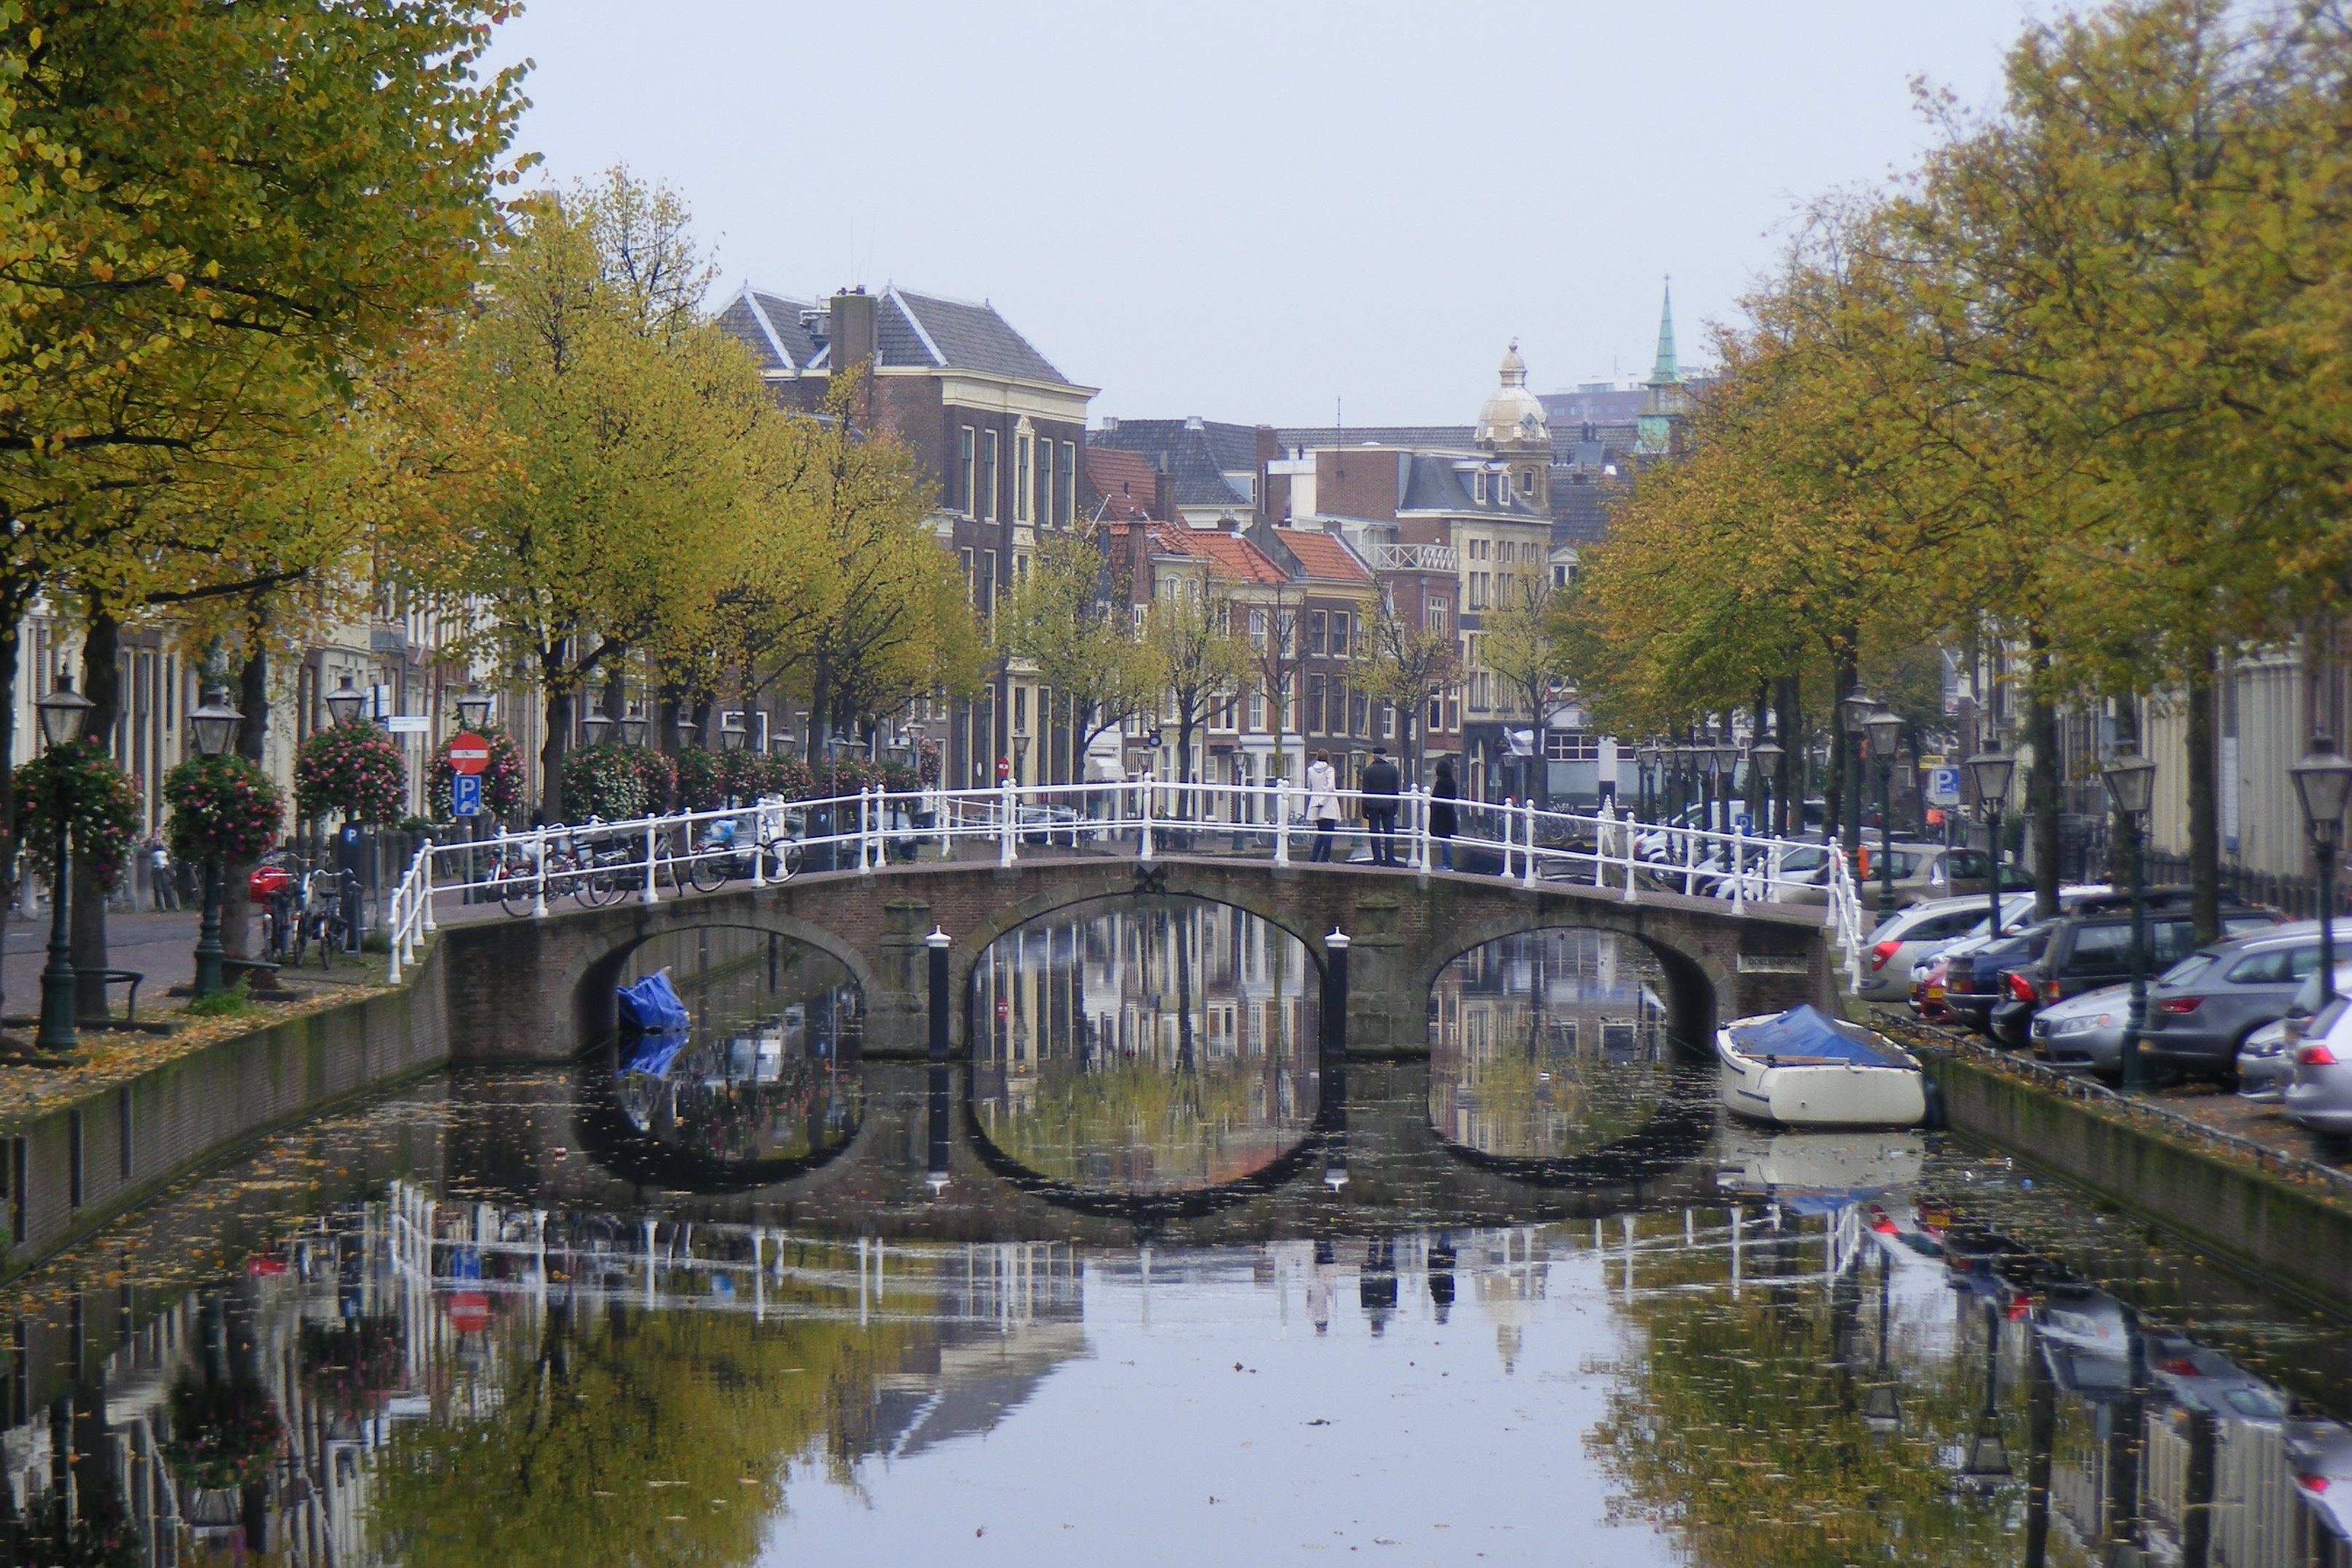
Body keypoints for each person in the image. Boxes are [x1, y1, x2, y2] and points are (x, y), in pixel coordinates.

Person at [1362, 746, 1402, 866]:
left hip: (1373, 805)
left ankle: (1377, 859)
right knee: (1389, 832)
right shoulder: (1393, 770)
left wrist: (1364, 809)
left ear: (1374, 756)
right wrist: (1396, 806)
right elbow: (1395, 790)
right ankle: (1390, 859)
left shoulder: (1368, 771)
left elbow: (1365, 792)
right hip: (1388, 804)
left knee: (1374, 832)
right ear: (1385, 756)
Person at [1305, 751, 1339, 863]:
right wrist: (1324, 800)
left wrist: (1317, 797)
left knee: (1321, 832)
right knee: (1329, 832)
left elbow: (1310, 786)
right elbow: (1330, 786)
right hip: (1328, 804)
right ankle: (1325, 858)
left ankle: (1313, 857)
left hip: (1316, 803)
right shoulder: (1330, 770)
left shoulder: (1310, 770)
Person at [1429, 757, 1460, 871]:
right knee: (1446, 839)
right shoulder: (1452, 782)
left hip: (1442, 816)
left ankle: (1447, 864)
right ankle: (1447, 863)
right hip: (1449, 814)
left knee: (1444, 839)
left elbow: (1436, 799)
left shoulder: (1441, 783)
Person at [146, 836, 178, 911]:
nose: (157, 842)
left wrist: (170, 868)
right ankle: (163, 907)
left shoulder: (165, 850)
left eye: (158, 841)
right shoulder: (151, 851)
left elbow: (170, 859)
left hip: (166, 869)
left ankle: (174, 906)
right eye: (156, 841)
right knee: (159, 889)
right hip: (157, 870)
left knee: (169, 888)